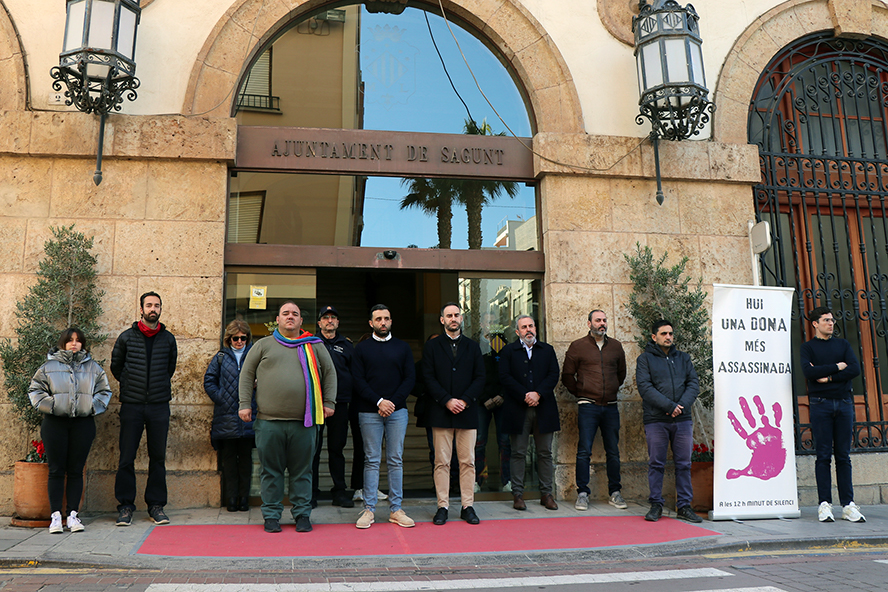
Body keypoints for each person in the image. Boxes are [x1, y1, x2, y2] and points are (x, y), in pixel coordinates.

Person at [238, 301, 336, 533]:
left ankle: (302, 514)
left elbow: (330, 373)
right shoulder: (263, 345)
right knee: (270, 471)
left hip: (305, 422)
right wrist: (244, 404)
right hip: (269, 422)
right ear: (278, 319)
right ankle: (271, 515)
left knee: (303, 472)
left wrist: (329, 402)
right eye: (285, 314)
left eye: (295, 314)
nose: (290, 317)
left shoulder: (314, 345)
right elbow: (246, 374)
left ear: (301, 321)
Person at [29, 328, 112, 534]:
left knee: (76, 470)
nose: (74, 344)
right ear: (63, 343)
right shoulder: (49, 367)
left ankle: (73, 516)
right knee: (56, 469)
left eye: (78, 340)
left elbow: (104, 391)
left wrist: (91, 407)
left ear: (82, 344)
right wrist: (54, 405)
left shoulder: (93, 368)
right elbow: (35, 390)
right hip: (55, 423)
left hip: (82, 424)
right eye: (70, 340)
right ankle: (56, 516)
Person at [111, 291, 177, 527]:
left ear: (160, 309)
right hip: (132, 405)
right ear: (141, 309)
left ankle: (156, 506)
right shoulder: (126, 338)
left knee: (157, 458)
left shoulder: (168, 339)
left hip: (159, 406)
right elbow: (116, 368)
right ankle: (125, 507)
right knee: (126, 457)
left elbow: (170, 368)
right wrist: (132, 387)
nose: (153, 309)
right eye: (148, 305)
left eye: (156, 305)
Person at [352, 305, 416, 529]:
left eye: (386, 318)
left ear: (391, 322)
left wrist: (392, 403)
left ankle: (396, 509)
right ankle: (369, 510)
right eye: (378, 319)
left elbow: (409, 379)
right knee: (371, 460)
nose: (383, 322)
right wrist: (379, 401)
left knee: (395, 459)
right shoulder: (362, 349)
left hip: (397, 412)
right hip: (370, 411)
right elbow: (358, 380)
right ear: (371, 323)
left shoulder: (402, 347)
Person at [800, 306, 865, 523]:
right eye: (826, 320)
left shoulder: (843, 344)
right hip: (820, 404)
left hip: (844, 403)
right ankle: (824, 504)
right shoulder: (807, 348)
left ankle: (848, 505)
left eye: (832, 319)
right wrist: (837, 366)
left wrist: (828, 377)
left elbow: (855, 369)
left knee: (844, 456)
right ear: (815, 324)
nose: (831, 323)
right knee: (824, 456)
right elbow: (809, 373)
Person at [422, 302, 485, 526]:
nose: (453, 318)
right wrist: (447, 400)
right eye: (449, 315)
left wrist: (465, 400)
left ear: (462, 318)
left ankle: (468, 506)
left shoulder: (473, 346)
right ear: (442, 320)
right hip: (441, 411)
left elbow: (480, 377)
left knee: (468, 462)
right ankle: (443, 506)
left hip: (467, 413)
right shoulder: (432, 347)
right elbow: (428, 378)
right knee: (442, 462)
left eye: (456, 315)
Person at [561, 309, 627, 511]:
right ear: (589, 323)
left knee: (613, 451)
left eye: (605, 320)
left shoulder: (615, 346)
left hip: (610, 407)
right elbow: (567, 376)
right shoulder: (578, 346)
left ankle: (615, 492)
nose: (602, 324)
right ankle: (582, 493)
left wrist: (612, 389)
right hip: (587, 406)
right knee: (584, 451)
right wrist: (581, 393)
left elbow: (621, 373)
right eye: (598, 320)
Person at [636, 319, 701, 523]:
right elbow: (645, 388)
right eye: (664, 334)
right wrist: (669, 406)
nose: (668, 337)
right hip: (656, 420)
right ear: (654, 337)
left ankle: (684, 506)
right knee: (656, 463)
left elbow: (693, 384)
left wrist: (680, 405)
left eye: (671, 334)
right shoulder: (645, 359)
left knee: (684, 464)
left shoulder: (683, 358)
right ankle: (656, 504)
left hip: (683, 420)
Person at [499, 315, 560, 511]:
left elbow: (553, 375)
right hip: (518, 409)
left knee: (545, 453)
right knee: (518, 452)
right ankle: (518, 494)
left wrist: (538, 393)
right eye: (524, 327)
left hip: (544, 408)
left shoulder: (547, 350)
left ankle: (546, 494)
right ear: (517, 332)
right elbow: (504, 377)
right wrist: (524, 395)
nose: (528, 330)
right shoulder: (508, 351)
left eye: (531, 326)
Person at [203, 319, 255, 513]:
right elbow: (209, 380)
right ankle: (231, 499)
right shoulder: (221, 357)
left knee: (246, 461)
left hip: (249, 417)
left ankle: (244, 499)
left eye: (243, 338)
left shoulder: (254, 356)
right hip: (226, 417)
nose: (239, 341)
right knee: (230, 461)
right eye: (236, 338)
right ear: (229, 339)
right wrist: (221, 397)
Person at [312, 305, 356, 509]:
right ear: (319, 322)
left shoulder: (347, 346)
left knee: (337, 449)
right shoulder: (309, 344)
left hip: (340, 404)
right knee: (312, 449)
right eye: (325, 318)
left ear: (338, 323)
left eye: (333, 318)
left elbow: (355, 374)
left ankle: (339, 491)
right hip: (315, 404)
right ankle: (310, 492)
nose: (330, 321)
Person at [476, 329, 511, 493]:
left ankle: (507, 480)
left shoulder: (508, 358)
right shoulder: (483, 358)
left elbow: (511, 378)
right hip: (483, 403)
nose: (496, 344)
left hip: (503, 403)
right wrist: (484, 398)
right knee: (479, 441)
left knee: (505, 442)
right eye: (492, 340)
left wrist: (502, 395)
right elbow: (476, 378)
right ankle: (478, 479)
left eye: (499, 340)